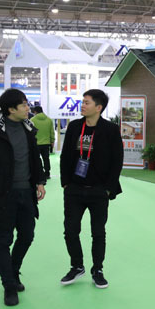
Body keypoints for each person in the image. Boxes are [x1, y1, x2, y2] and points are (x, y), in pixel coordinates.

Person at [0, 88, 46, 306]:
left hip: (26, 192)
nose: (27, 108)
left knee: (27, 235)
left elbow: (35, 158)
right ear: (11, 109)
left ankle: (13, 272)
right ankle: (9, 285)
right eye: (23, 104)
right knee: (4, 239)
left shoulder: (28, 128)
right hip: (2, 195)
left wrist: (40, 181)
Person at [60, 89, 123, 289]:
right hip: (74, 189)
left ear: (98, 107)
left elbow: (117, 161)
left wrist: (107, 189)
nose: (82, 105)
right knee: (70, 231)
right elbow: (65, 156)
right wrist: (65, 183)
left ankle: (98, 269)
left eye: (87, 102)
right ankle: (77, 266)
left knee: (98, 232)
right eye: (83, 101)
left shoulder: (110, 129)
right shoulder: (74, 127)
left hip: (99, 190)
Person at [31, 106, 55, 179]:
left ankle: (39, 174)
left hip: (36, 143)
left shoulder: (32, 120)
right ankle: (47, 173)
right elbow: (52, 132)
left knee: (37, 159)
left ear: (35, 112)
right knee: (46, 159)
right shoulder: (49, 120)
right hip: (46, 143)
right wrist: (52, 141)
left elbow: (30, 132)